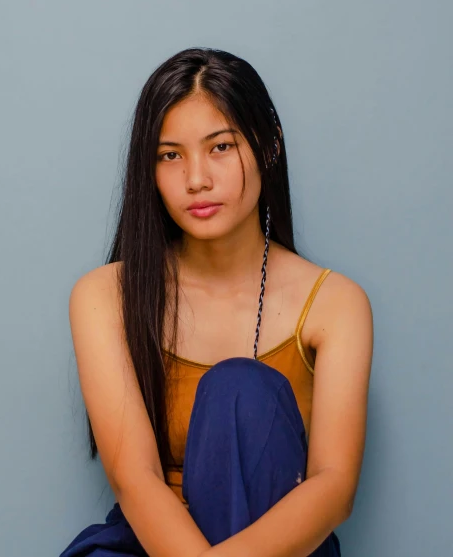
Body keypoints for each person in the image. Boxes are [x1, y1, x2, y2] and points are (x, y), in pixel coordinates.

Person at [58, 47, 373, 557]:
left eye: (220, 147)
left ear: (267, 146)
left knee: (239, 388)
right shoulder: (105, 295)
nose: (196, 179)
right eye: (170, 155)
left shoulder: (336, 304)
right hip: (153, 546)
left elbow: (334, 488)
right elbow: (134, 477)